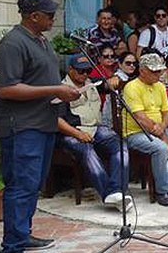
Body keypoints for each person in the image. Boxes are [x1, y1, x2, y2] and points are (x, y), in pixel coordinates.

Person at [0, 0, 81, 253]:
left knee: (33, 183)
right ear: (33, 16)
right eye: (49, 15)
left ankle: (23, 234)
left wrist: (63, 93)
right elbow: (7, 88)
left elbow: (42, 79)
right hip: (21, 126)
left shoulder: (41, 40)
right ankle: (11, 252)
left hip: (42, 123)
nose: (53, 20)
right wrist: (55, 90)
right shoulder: (13, 43)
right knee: (20, 185)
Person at [56, 54, 131, 212]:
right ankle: (109, 194)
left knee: (120, 146)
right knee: (87, 150)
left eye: (87, 71)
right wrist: (78, 134)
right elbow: (57, 121)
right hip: (73, 131)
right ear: (70, 70)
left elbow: (109, 83)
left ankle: (117, 190)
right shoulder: (62, 89)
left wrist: (115, 78)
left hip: (95, 128)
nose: (84, 75)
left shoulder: (91, 83)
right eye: (80, 71)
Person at [122, 53, 168, 206]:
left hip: (159, 128)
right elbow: (140, 118)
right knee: (161, 148)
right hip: (136, 132)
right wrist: (162, 136)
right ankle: (161, 191)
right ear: (142, 71)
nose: (159, 74)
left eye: (159, 70)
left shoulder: (160, 86)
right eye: (154, 71)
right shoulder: (131, 87)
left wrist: (162, 129)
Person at [88, 46, 118, 110]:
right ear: (99, 59)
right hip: (99, 106)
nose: (110, 58)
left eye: (112, 56)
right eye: (106, 56)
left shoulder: (117, 69)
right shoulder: (95, 71)